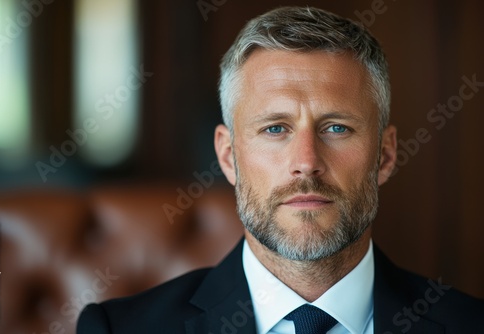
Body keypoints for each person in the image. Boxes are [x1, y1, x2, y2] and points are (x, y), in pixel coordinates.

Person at [77, 6, 484, 334]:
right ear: (228, 155)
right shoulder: (121, 329)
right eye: (275, 128)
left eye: (337, 128)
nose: (306, 162)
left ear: (385, 155)